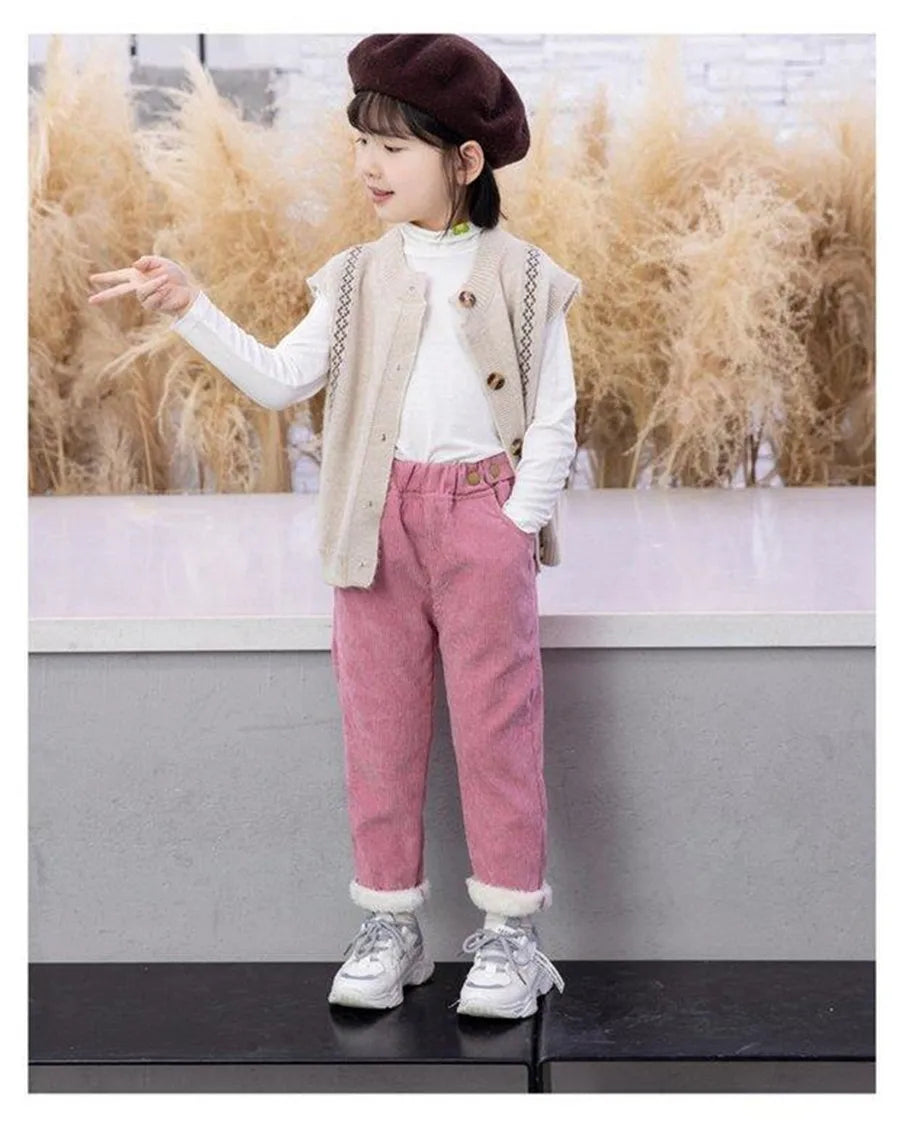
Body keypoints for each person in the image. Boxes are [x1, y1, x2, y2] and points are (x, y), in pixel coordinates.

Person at [87, 33, 581, 1021]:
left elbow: (557, 418)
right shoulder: (353, 277)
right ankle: (391, 926)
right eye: (361, 143)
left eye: (392, 147)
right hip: (373, 523)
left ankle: (511, 937)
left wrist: (513, 523)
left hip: (482, 518)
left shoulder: (527, 277)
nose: (368, 165)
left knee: (498, 728)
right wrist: (191, 306)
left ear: (465, 159)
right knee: (379, 728)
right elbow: (281, 379)